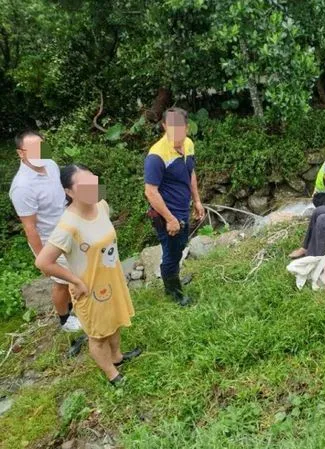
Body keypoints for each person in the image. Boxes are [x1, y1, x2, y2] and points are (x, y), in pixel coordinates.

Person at [35, 164, 140, 385]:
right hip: (90, 287)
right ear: (69, 192)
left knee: (113, 320)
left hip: (111, 278)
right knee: (98, 334)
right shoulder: (68, 225)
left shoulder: (101, 204)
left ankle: (118, 357)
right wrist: (74, 280)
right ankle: (113, 375)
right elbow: (43, 262)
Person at [9, 131, 81, 332]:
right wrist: (43, 259)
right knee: (63, 281)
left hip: (70, 228)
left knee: (79, 272)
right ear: (21, 153)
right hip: (51, 240)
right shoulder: (22, 187)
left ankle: (79, 309)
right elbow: (29, 228)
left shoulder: (50, 164)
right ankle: (65, 320)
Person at [144, 108, 205, 306]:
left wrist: (196, 200)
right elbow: (151, 192)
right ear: (164, 126)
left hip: (183, 207)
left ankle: (174, 279)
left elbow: (191, 173)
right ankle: (174, 293)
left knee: (179, 246)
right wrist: (170, 219)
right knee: (171, 253)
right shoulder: (156, 156)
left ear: (187, 127)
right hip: (166, 214)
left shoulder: (188, 144)